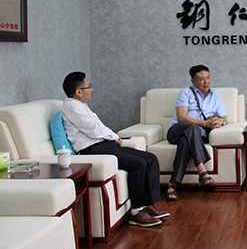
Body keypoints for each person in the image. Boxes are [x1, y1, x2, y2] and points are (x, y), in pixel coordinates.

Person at [61, 72, 168, 228]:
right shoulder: (71, 106)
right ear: (78, 92)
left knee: (150, 159)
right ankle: (136, 212)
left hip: (105, 145)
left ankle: (146, 204)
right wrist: (114, 136)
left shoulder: (81, 105)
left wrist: (112, 137)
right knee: (138, 164)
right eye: (89, 86)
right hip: (92, 150)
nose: (92, 89)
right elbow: (93, 129)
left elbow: (98, 127)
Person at [165, 65, 227, 201]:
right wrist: (205, 123)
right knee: (192, 127)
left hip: (196, 136)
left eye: (208, 78)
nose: (206, 82)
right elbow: (181, 118)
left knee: (185, 142)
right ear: (193, 81)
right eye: (201, 79)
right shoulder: (185, 92)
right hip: (177, 131)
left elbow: (224, 118)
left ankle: (172, 185)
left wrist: (220, 122)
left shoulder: (215, 95)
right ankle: (201, 170)